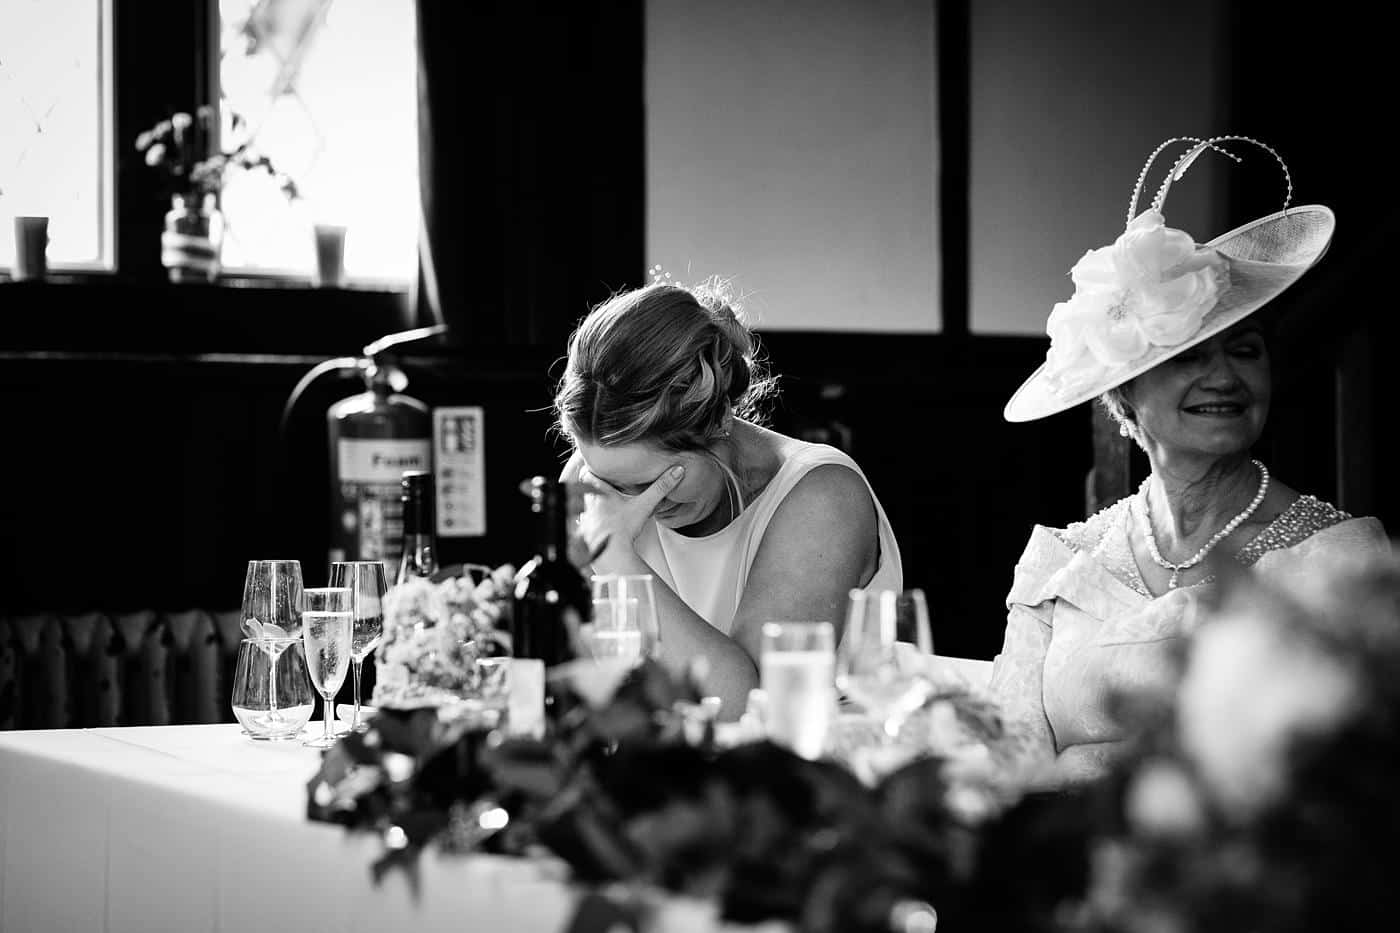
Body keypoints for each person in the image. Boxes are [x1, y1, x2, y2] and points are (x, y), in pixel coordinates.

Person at [990, 135, 1391, 789]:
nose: (1225, 377)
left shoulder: (1339, 561)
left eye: (1245, 350)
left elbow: (1351, 787)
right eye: (1189, 357)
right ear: (1125, 394)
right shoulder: (1061, 563)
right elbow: (1006, 763)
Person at [553, 274, 903, 717]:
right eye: (613, 483)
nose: (632, 505)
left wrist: (617, 561)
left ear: (718, 421)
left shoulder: (821, 495)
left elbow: (745, 709)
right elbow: (577, 678)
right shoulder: (591, 484)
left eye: (654, 481)